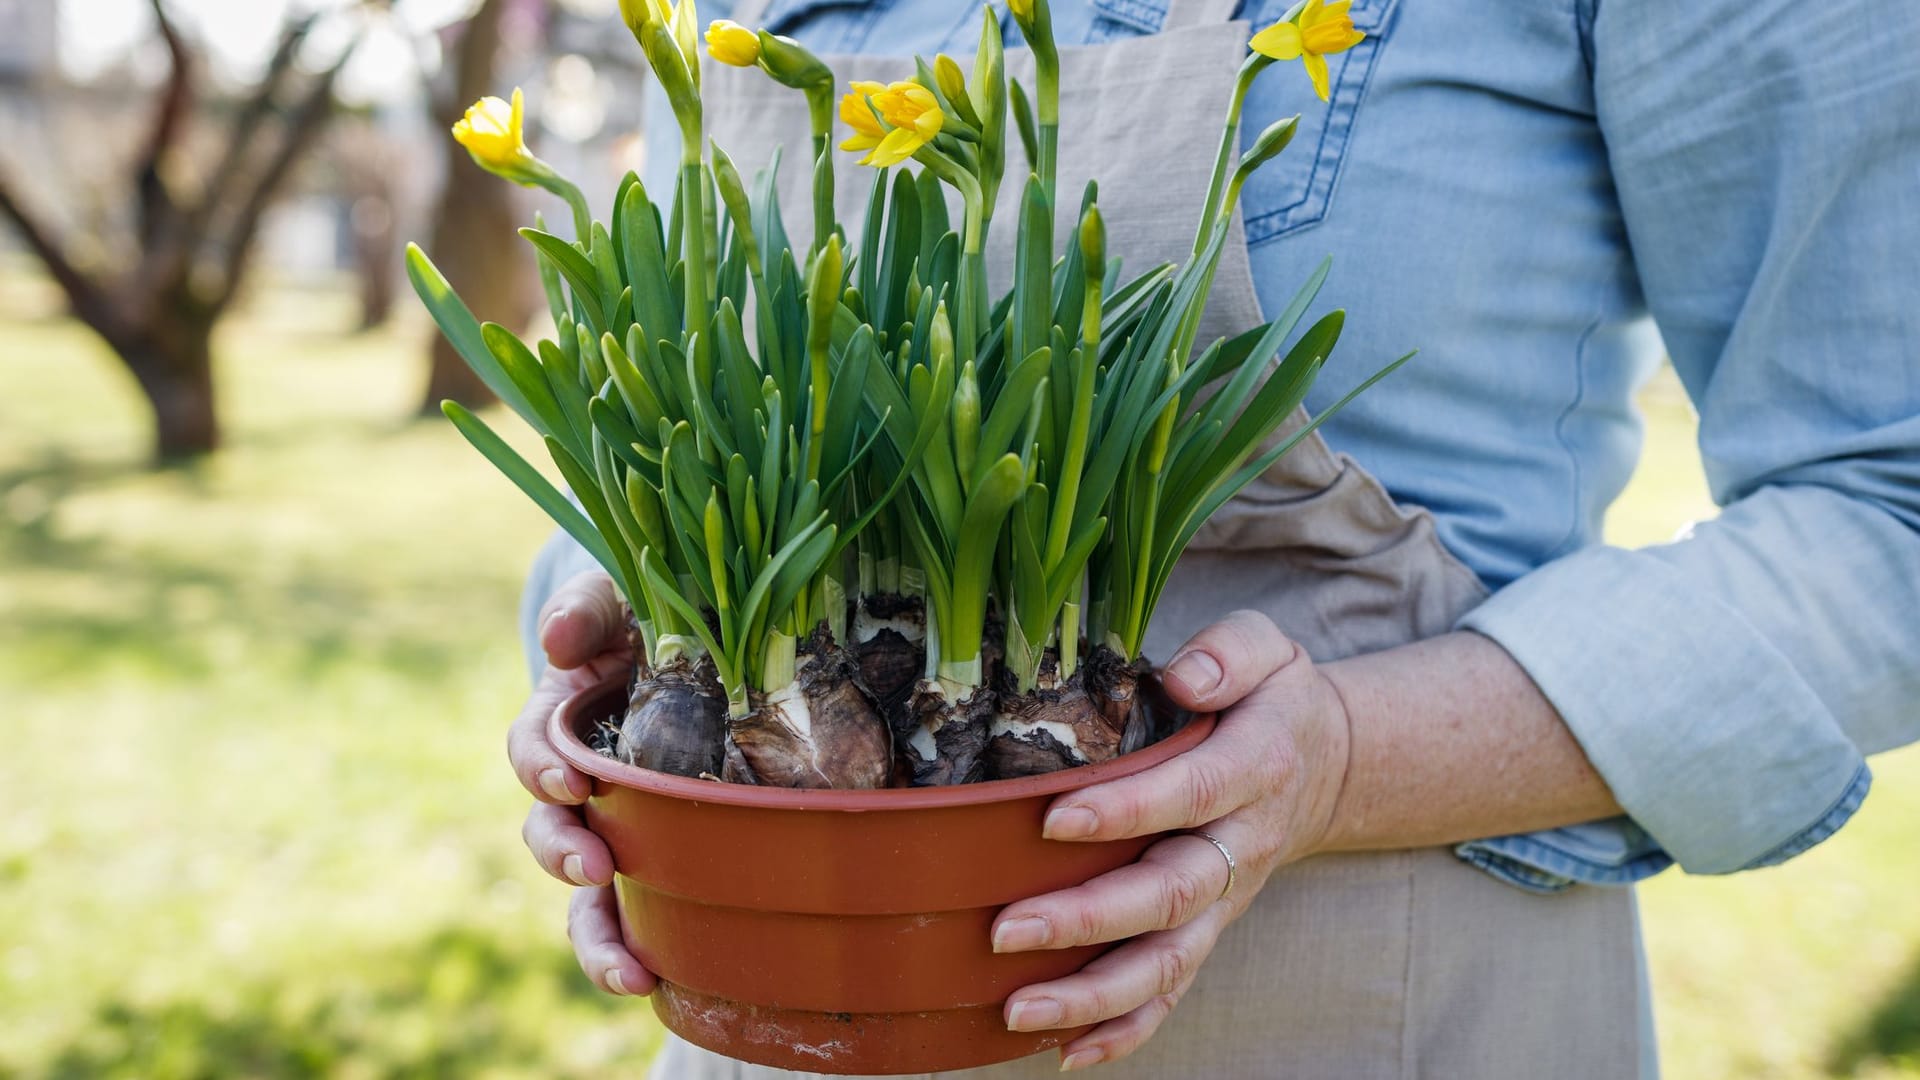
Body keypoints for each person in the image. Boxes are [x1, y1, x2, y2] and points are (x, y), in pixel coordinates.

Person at [505, 0, 1920, 1076]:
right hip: (777, 1016)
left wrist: (1343, 762)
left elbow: (1887, 510)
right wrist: (650, 619)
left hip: (1364, 1003)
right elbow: (693, 379)